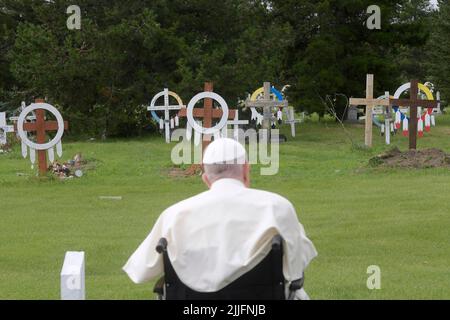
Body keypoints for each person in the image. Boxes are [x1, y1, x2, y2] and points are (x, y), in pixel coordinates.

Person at [123, 138, 317, 299]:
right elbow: (296, 268)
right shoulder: (277, 207)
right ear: (246, 170)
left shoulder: (174, 215)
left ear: (206, 179)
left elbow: (142, 272)